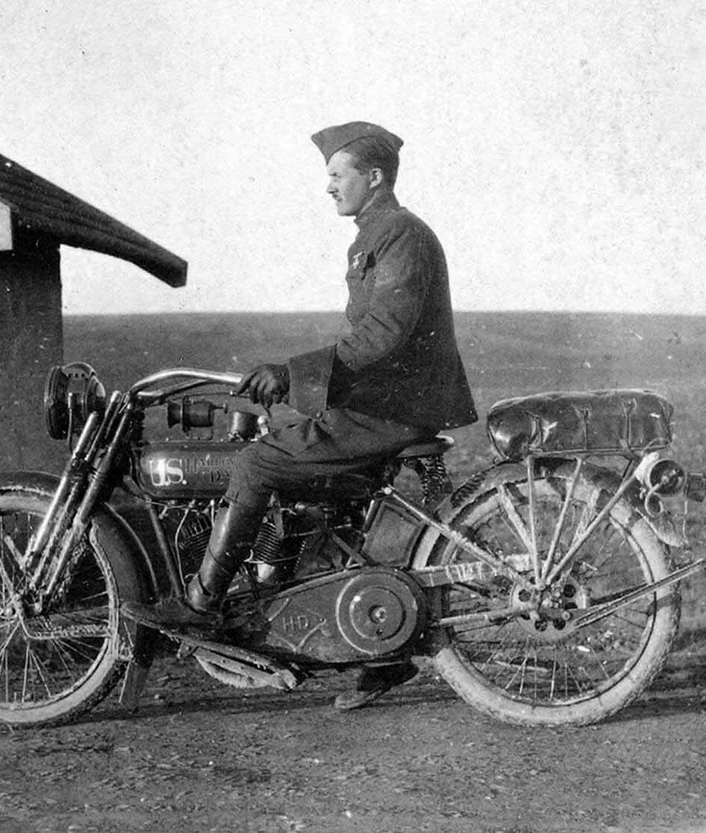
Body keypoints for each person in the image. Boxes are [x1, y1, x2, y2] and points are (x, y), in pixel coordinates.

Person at [125, 121, 477, 709]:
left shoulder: (400, 236)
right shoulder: (378, 234)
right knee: (304, 474)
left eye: (338, 175)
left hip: (391, 409)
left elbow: (383, 333)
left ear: (374, 176)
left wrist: (293, 373)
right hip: (383, 404)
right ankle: (380, 652)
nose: (329, 186)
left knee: (259, 466)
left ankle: (201, 605)